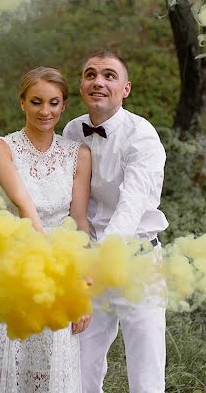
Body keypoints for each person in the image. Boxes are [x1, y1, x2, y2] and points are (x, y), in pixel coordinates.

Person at [0, 66, 93, 393]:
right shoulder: (0, 148)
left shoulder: (78, 154)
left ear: (64, 105)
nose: (45, 111)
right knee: (7, 355)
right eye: (36, 102)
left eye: (54, 103)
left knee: (50, 359)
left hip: (59, 266)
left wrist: (80, 289)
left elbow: (78, 220)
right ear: (22, 102)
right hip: (13, 266)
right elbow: (27, 211)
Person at [62, 51, 168, 393]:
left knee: (146, 371)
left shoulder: (142, 135)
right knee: (80, 362)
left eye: (109, 75)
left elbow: (132, 204)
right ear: (81, 86)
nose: (98, 81)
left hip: (137, 263)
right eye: (90, 74)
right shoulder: (72, 130)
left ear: (125, 88)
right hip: (89, 259)